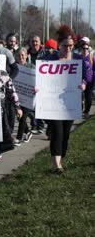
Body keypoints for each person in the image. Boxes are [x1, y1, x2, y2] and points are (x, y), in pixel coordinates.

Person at [40, 25, 90, 174]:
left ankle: (60, 159)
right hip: (53, 102)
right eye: (65, 46)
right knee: (57, 131)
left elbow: (87, 76)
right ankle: (56, 164)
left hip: (71, 101)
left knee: (66, 133)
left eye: (71, 46)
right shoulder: (50, 59)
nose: (68, 49)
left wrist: (84, 84)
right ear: (59, 44)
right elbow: (41, 77)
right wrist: (38, 87)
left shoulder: (78, 59)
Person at [14, 48, 35, 146]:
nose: (21, 57)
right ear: (15, 57)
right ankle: (28, 131)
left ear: (26, 56)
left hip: (28, 95)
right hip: (17, 96)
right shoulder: (14, 68)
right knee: (19, 116)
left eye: (23, 55)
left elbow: (37, 80)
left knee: (23, 117)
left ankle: (18, 138)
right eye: (18, 55)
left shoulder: (32, 67)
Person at [28, 35, 47, 134]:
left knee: (40, 104)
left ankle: (40, 125)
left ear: (40, 43)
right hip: (30, 81)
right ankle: (34, 124)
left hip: (42, 82)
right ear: (30, 43)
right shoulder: (27, 53)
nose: (35, 43)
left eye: (36, 41)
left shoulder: (45, 53)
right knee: (31, 105)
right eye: (33, 41)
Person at [79, 38, 94, 119]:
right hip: (80, 83)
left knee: (88, 100)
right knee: (79, 99)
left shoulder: (92, 58)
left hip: (90, 83)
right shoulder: (78, 58)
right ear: (81, 49)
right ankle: (79, 111)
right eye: (83, 48)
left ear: (88, 49)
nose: (85, 50)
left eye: (86, 48)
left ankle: (86, 112)